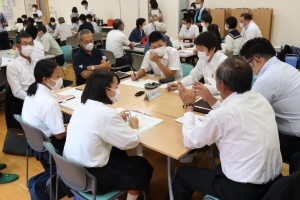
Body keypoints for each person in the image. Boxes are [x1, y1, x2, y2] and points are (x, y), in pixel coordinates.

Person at [173, 57, 282, 200]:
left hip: (244, 190)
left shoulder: (222, 115)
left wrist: (188, 106)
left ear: (221, 85)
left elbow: (190, 140)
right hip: (275, 183)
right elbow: (233, 117)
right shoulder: (260, 99)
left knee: (183, 175)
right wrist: (211, 99)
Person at [63, 70, 153, 200]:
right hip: (91, 178)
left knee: (117, 150)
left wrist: (115, 117)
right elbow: (131, 141)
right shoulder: (106, 114)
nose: (117, 91)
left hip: (71, 170)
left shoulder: (82, 105)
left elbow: (98, 123)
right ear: (106, 89)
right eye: (116, 87)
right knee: (141, 165)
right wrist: (134, 126)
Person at [240, 37, 300, 163]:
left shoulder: (266, 79)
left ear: (256, 60)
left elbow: (247, 113)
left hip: (294, 141)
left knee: (247, 130)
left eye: (247, 64)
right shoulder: (284, 67)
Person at [22, 59, 67, 154]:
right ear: (45, 79)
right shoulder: (49, 102)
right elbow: (59, 135)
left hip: (34, 139)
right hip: (49, 144)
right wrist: (72, 126)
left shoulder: (32, 90)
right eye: (57, 76)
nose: (60, 79)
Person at [5, 33, 36, 129]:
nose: (29, 46)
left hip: (37, 95)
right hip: (22, 100)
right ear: (18, 46)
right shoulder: (12, 66)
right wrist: (35, 99)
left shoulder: (36, 62)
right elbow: (17, 92)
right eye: (25, 44)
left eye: (31, 43)